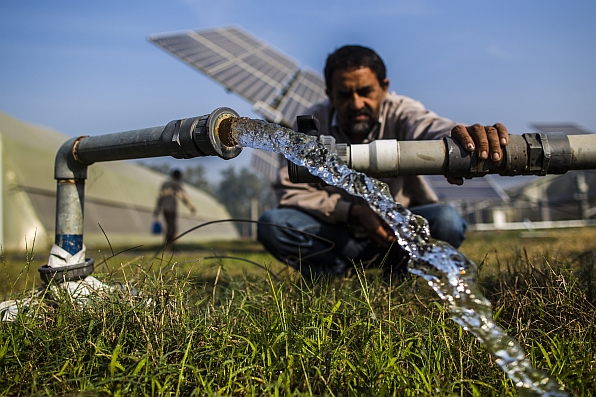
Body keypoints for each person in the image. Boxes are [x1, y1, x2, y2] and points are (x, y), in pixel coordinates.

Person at [257, 45, 509, 279]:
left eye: (365, 92)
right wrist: (353, 212)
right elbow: (291, 190)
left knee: (446, 221)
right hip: (340, 237)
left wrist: (456, 136)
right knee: (274, 224)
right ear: (329, 95)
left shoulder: (401, 111)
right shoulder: (308, 127)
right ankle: (335, 274)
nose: (356, 103)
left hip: (399, 233)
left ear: (384, 87)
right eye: (344, 95)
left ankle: (401, 272)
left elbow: (429, 126)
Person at [154, 169, 196, 248]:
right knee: (172, 227)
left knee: (170, 226)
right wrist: (191, 206)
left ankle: (168, 244)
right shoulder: (176, 184)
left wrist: (158, 209)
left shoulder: (165, 184)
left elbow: (160, 197)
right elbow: (183, 196)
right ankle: (170, 245)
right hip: (171, 209)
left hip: (165, 209)